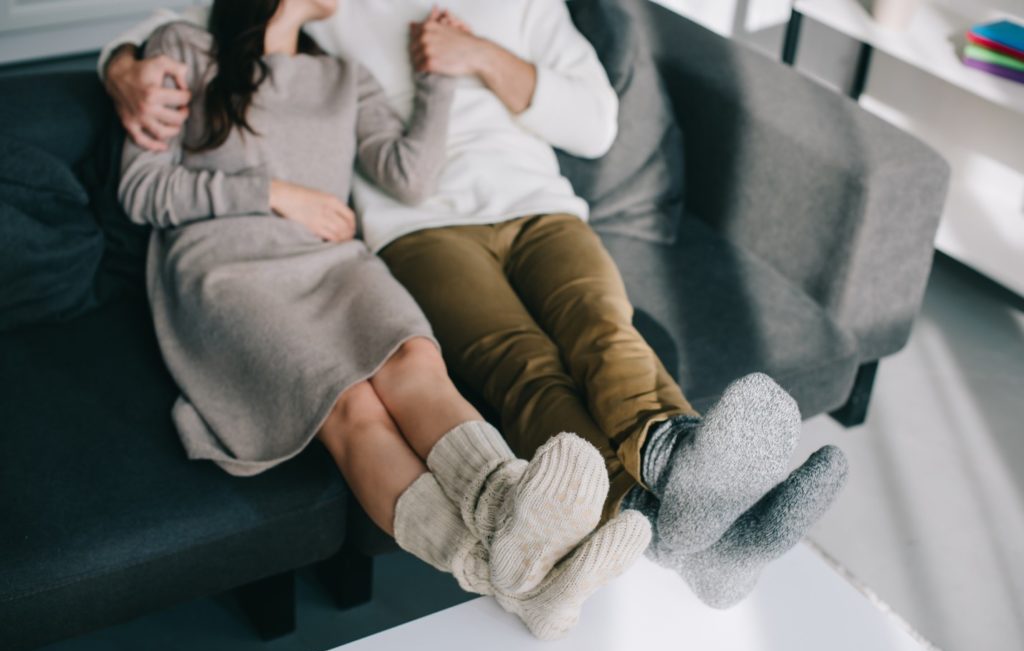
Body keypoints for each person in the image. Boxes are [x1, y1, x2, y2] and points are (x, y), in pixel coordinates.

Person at [101, 0, 848, 611]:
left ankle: (673, 482)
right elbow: (160, 66)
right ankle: (640, 530)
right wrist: (119, 66)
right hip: (356, 242)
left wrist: (460, 63)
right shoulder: (259, 34)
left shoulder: (381, 56)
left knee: (587, 329)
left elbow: (566, 129)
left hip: (483, 219)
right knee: (484, 373)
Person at [116, 0, 653, 641]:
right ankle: (509, 576)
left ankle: (515, 519)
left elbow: (411, 179)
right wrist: (273, 194)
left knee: (414, 359)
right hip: (224, 264)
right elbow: (142, 189)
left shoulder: (342, 74)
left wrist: (440, 76)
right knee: (352, 406)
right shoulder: (182, 47)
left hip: (329, 258)